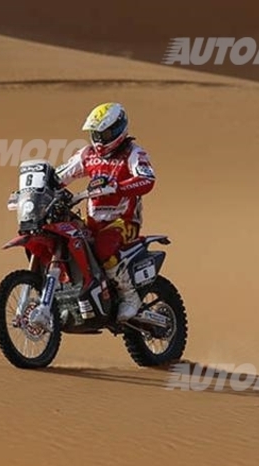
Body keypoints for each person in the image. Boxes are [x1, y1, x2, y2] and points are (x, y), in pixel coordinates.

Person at [56, 102, 156, 321]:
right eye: (96, 134)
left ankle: (130, 296)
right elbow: (61, 175)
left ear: (119, 129)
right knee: (65, 239)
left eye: (105, 133)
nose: (99, 139)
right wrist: (40, 186)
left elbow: (147, 180)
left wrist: (119, 187)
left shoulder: (133, 153)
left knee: (103, 247)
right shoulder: (87, 155)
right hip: (92, 221)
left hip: (124, 222)